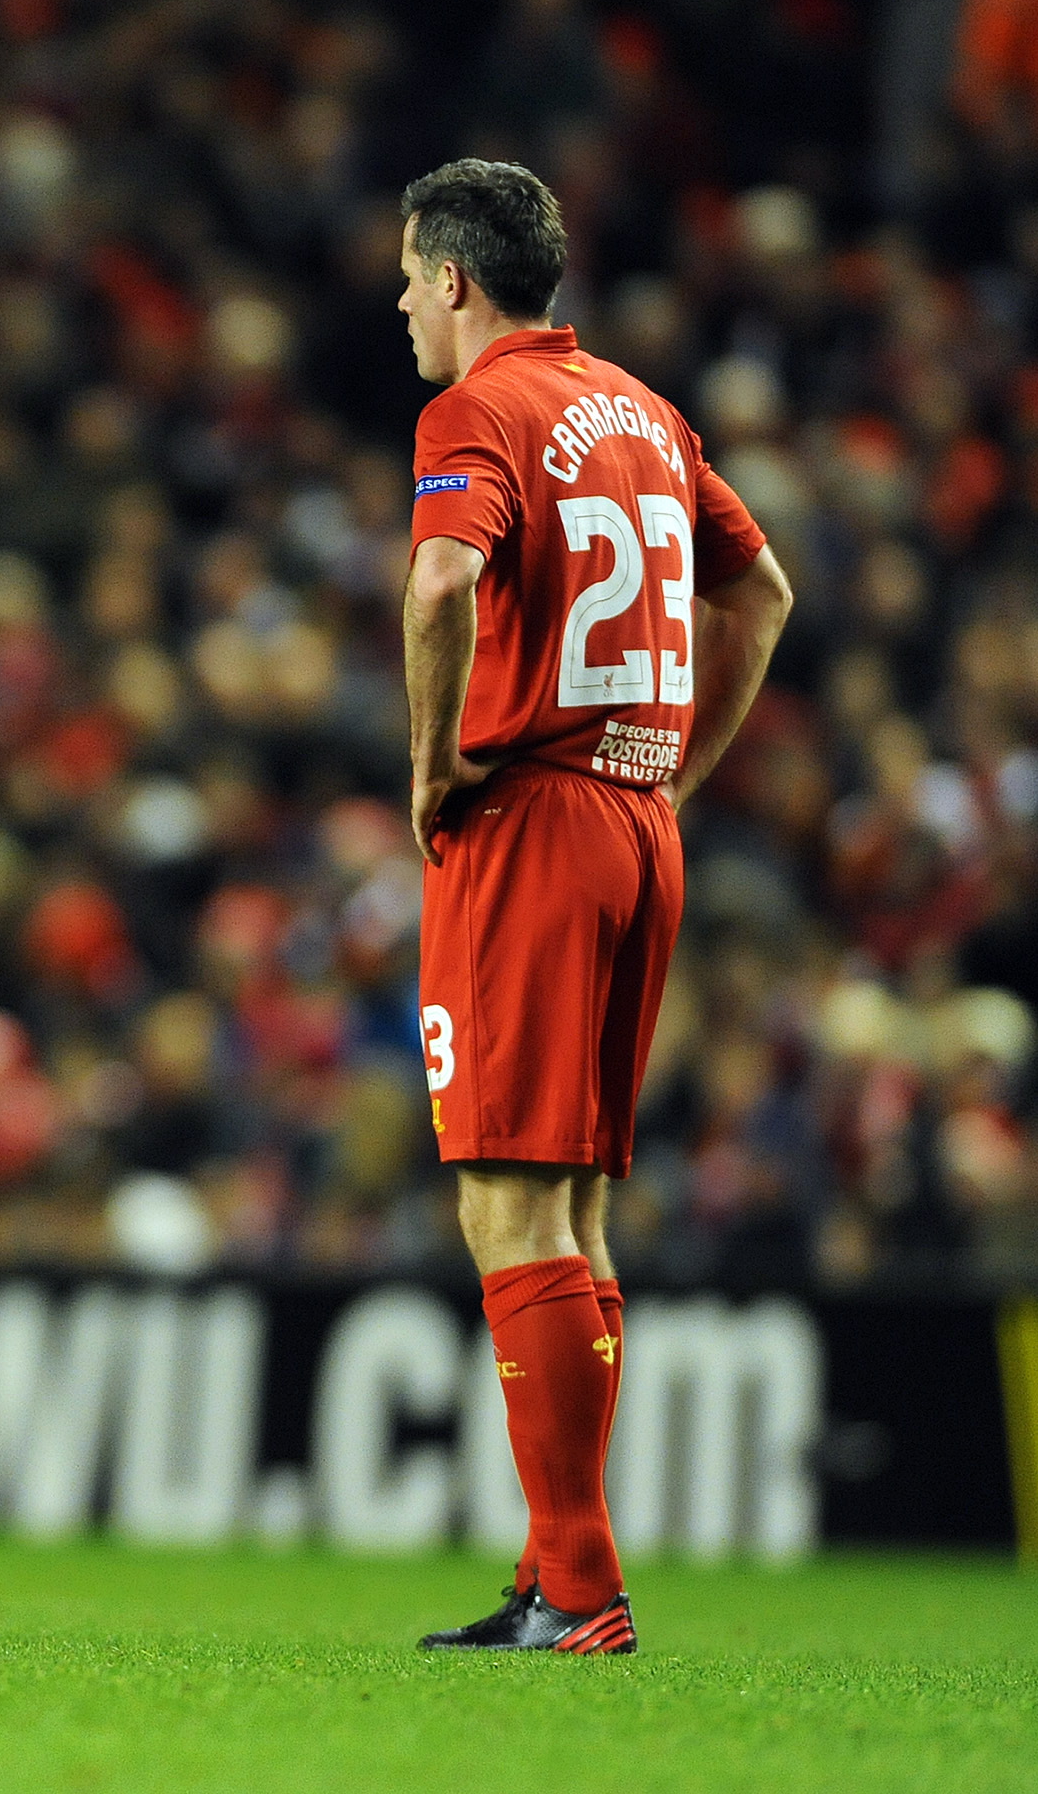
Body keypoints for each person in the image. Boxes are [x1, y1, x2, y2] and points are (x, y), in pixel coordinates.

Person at [395, 161, 795, 1651]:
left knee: (503, 1197)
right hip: (636, 824)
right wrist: (671, 775)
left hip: (533, 821)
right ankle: (550, 1574)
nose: (399, 303)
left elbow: (442, 585)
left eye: (409, 276)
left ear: (456, 282)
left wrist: (434, 765)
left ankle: (579, 1585)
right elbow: (764, 595)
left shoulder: (477, 412)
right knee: (571, 1211)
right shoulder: (644, 411)